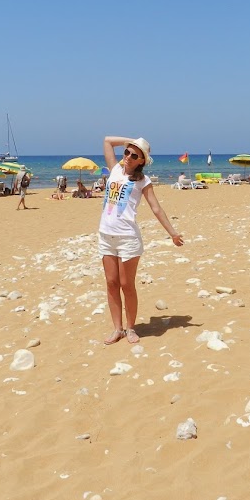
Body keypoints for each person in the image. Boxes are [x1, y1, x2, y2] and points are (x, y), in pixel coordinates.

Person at [99, 136, 183, 346]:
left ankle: (130, 328)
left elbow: (156, 208)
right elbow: (107, 141)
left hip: (128, 238)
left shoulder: (143, 181)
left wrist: (172, 233)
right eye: (127, 152)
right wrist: (133, 141)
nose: (128, 156)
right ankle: (117, 329)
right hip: (106, 235)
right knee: (111, 283)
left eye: (134, 155)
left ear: (142, 161)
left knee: (126, 285)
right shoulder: (115, 170)